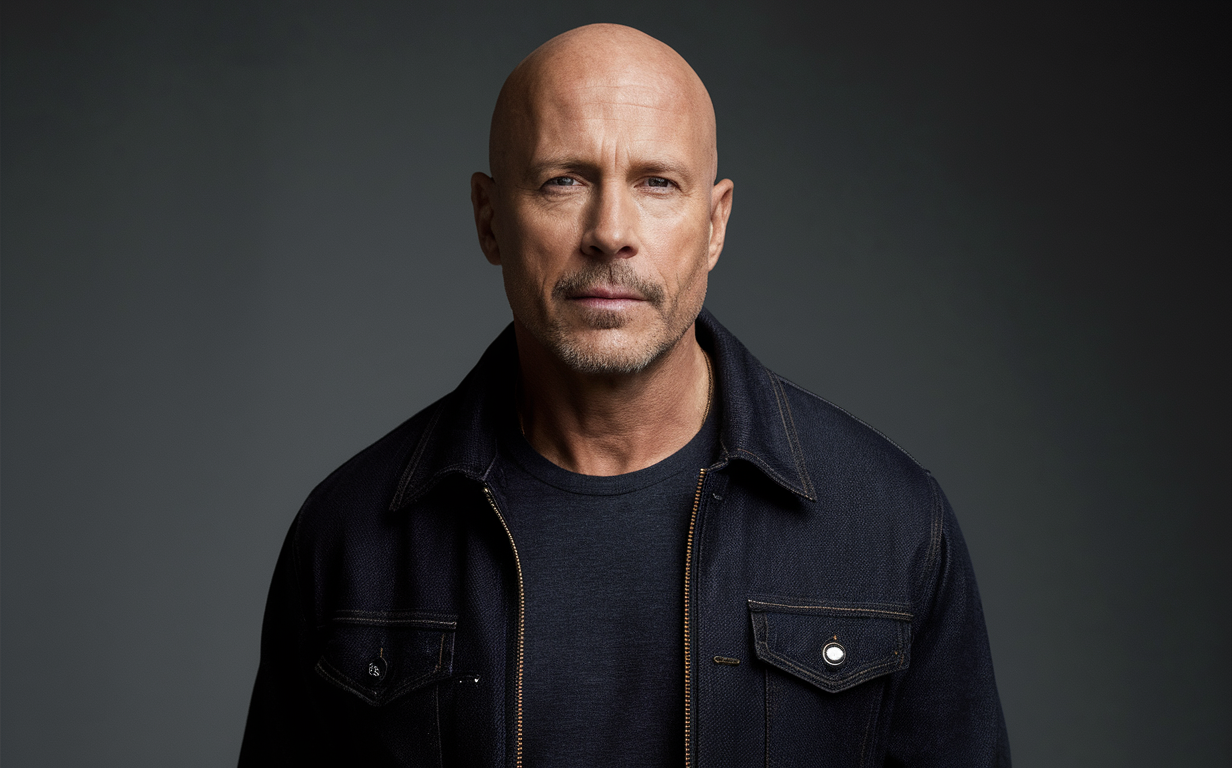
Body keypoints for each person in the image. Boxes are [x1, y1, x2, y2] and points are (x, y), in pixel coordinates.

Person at [239, 23, 1009, 767]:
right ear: (490, 220)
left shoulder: (892, 523)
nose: (611, 232)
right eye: (564, 180)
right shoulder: (350, 536)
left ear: (714, 224)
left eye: (657, 183)